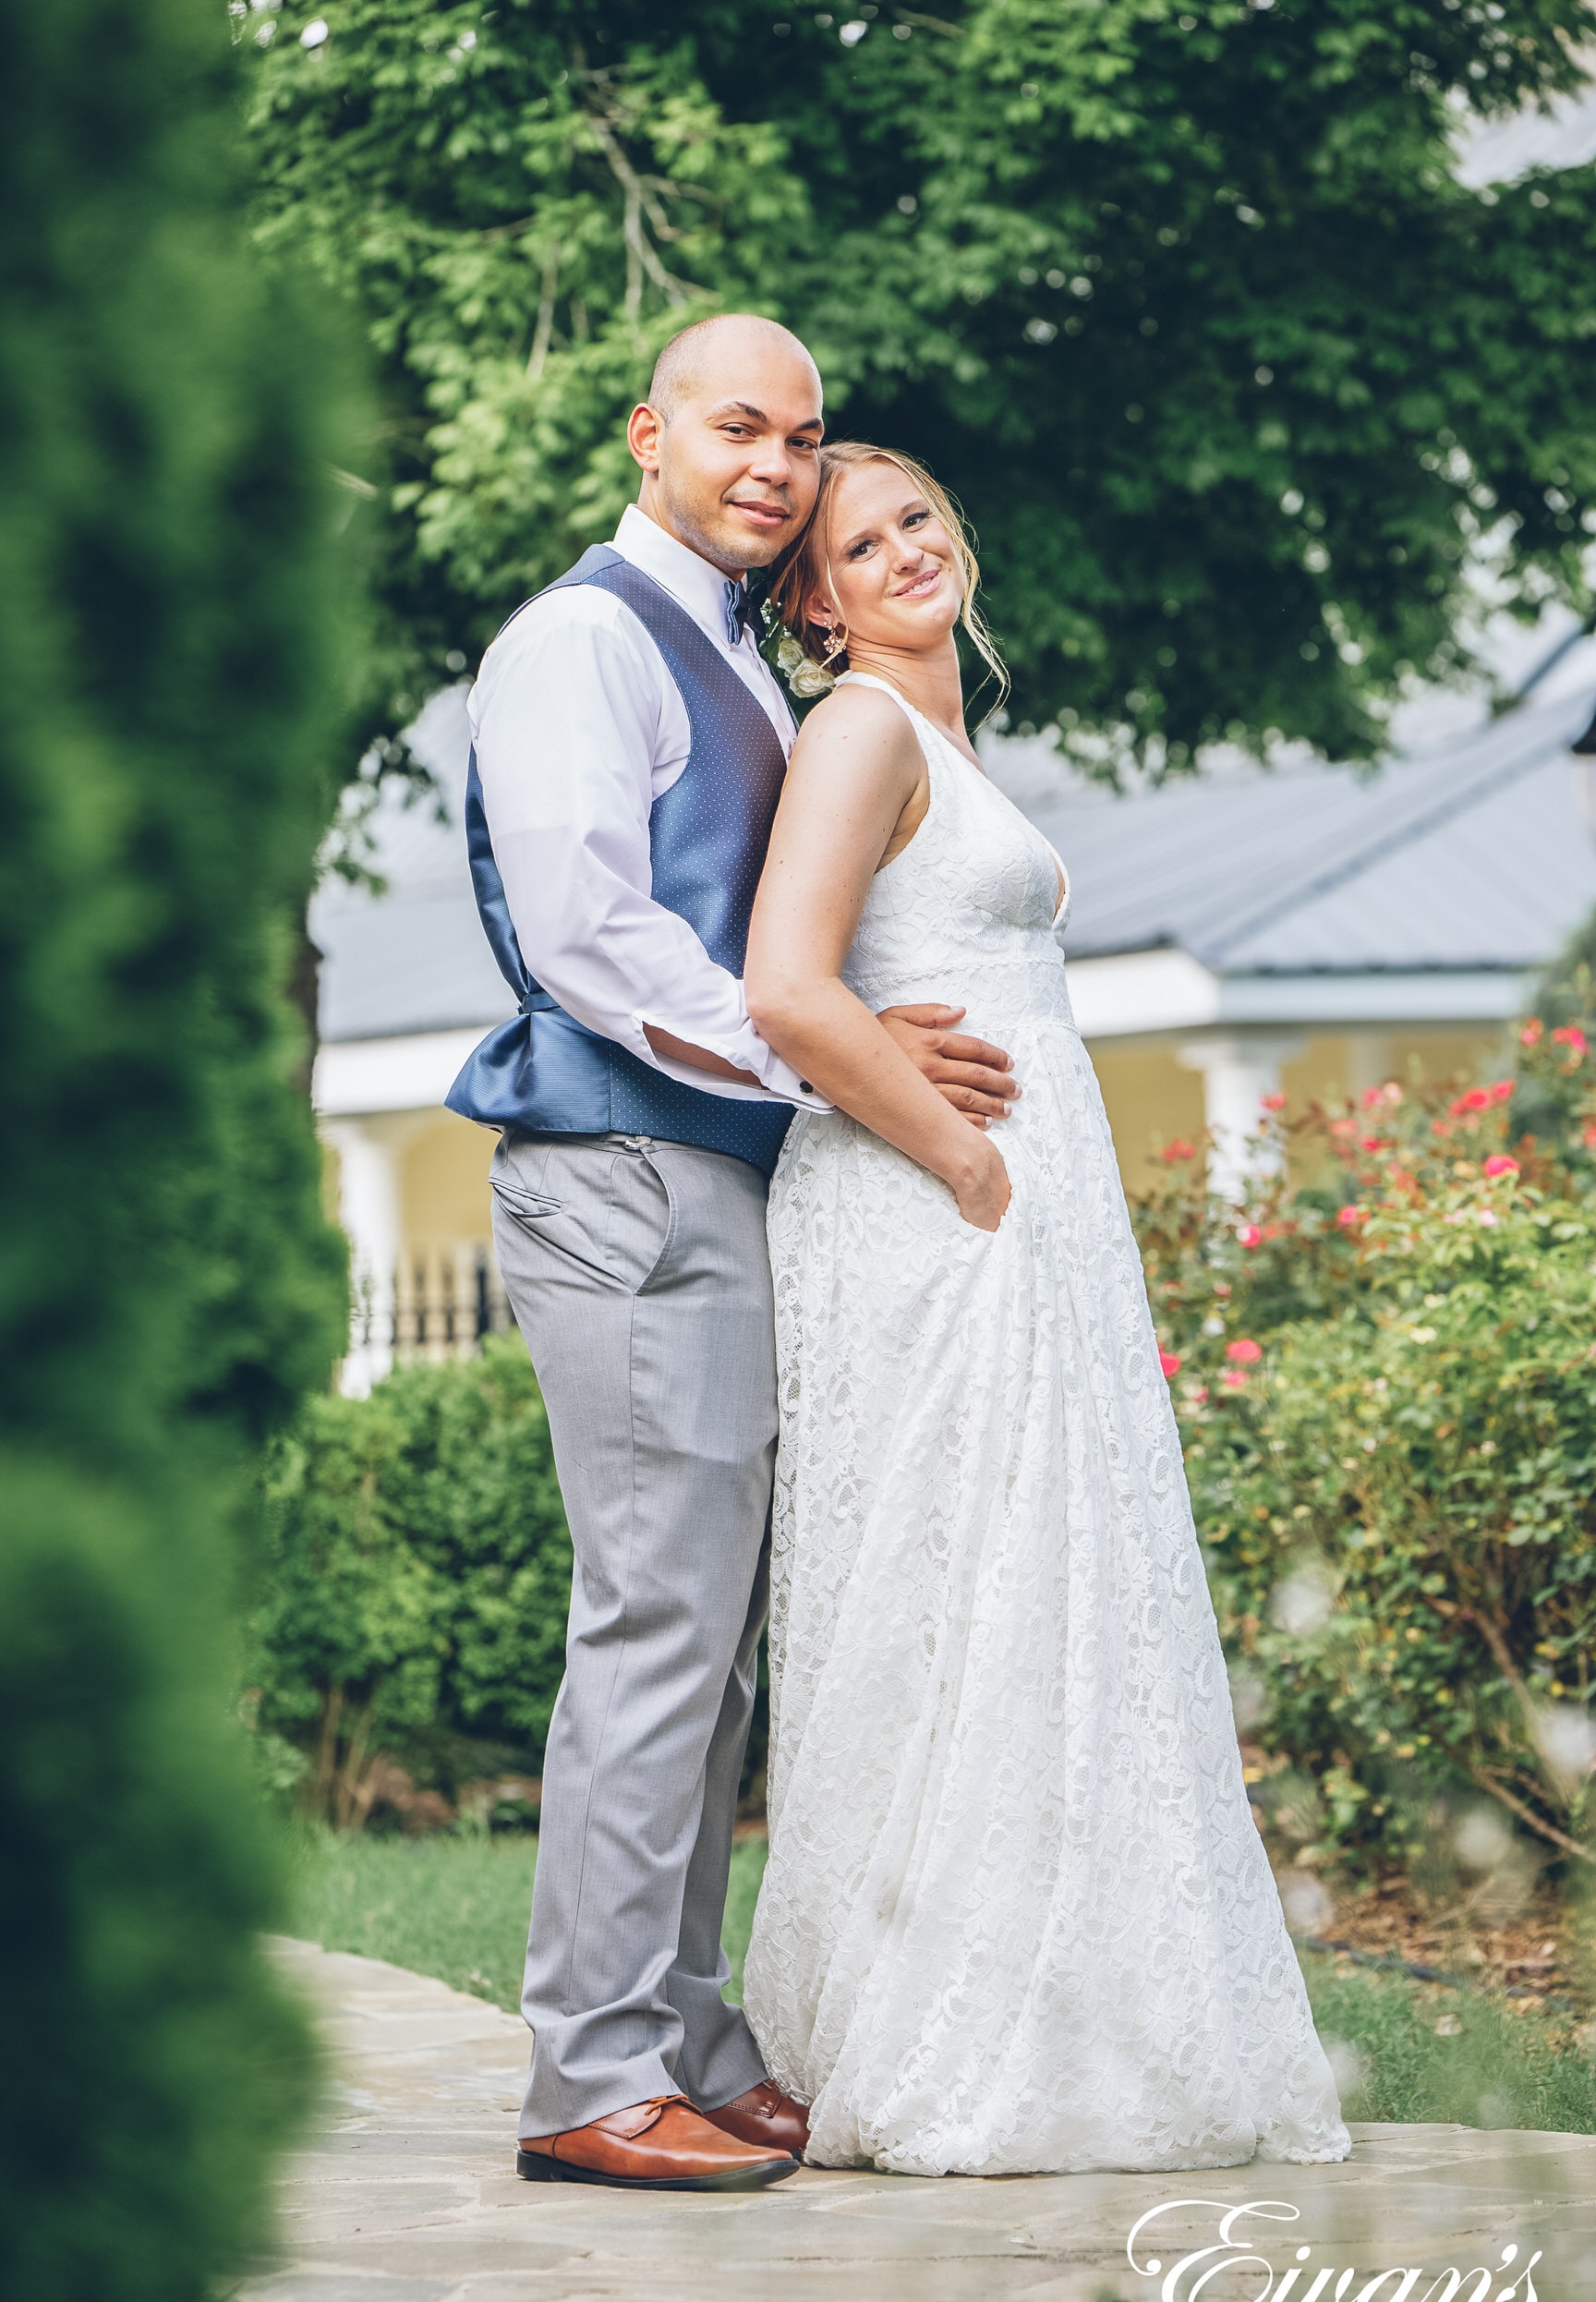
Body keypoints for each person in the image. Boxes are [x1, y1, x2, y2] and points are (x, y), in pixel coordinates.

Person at [447, 323, 1019, 2192]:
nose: (775, 461)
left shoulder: (742, 669)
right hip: (622, 1172)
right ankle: (590, 2075)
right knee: (656, 1626)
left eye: (804, 435)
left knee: (712, 1648)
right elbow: (595, 935)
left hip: (720, 1177)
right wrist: (834, 1061)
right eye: (737, 426)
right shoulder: (580, 642)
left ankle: (683, 2033)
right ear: (655, 434)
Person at [739, 442, 1351, 2175]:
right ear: (817, 600)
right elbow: (791, 985)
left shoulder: (938, 741)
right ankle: (958, 2044)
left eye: (919, 517)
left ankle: (1068, 2011)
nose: (904, 551)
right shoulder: (861, 730)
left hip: (1004, 1215)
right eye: (859, 545)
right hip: (944, 1212)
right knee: (976, 1588)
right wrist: (967, 1162)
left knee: (1039, 1593)